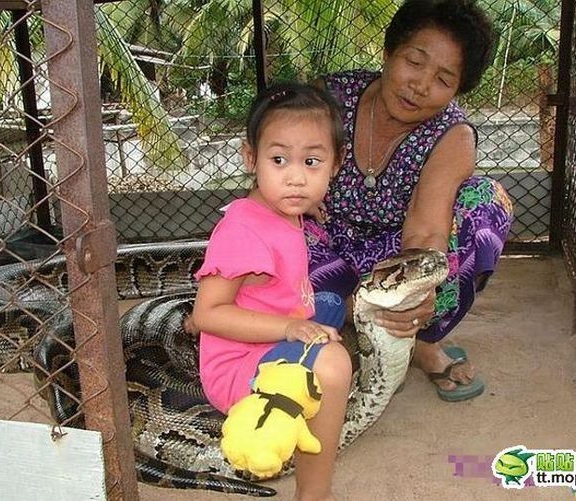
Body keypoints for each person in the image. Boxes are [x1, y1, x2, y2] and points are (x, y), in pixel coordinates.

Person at [305, 0, 513, 402]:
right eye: (414, 62)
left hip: (394, 253)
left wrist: (418, 290)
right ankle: (342, 328)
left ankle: (418, 341)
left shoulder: (452, 135)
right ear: (388, 54)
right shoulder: (328, 98)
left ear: (456, 90)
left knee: (485, 203)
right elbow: (281, 159)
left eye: (443, 79)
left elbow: (427, 227)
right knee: (276, 218)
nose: (420, 85)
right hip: (323, 244)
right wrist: (299, 190)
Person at [192, 82, 352, 501]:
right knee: (333, 365)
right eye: (278, 159)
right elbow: (208, 313)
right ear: (251, 158)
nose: (296, 177)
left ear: (334, 166)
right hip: (239, 366)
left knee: (333, 302)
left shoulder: (283, 208)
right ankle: (314, 494)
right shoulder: (243, 230)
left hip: (272, 335)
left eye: (312, 162)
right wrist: (288, 329)